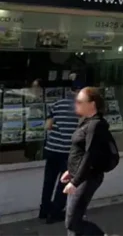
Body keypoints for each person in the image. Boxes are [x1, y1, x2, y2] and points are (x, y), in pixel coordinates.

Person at [61, 87, 112, 236]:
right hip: (77, 175)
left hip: (87, 178)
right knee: (73, 220)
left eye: (79, 101)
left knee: (72, 221)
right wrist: (70, 171)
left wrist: (75, 182)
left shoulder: (96, 125)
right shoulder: (85, 121)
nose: (75, 104)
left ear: (92, 104)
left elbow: (90, 155)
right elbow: (79, 150)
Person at [39, 81, 80, 223]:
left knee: (48, 181)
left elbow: (48, 126)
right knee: (64, 183)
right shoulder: (81, 108)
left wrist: (59, 129)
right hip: (68, 152)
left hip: (52, 149)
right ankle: (55, 213)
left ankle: (43, 211)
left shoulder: (57, 104)